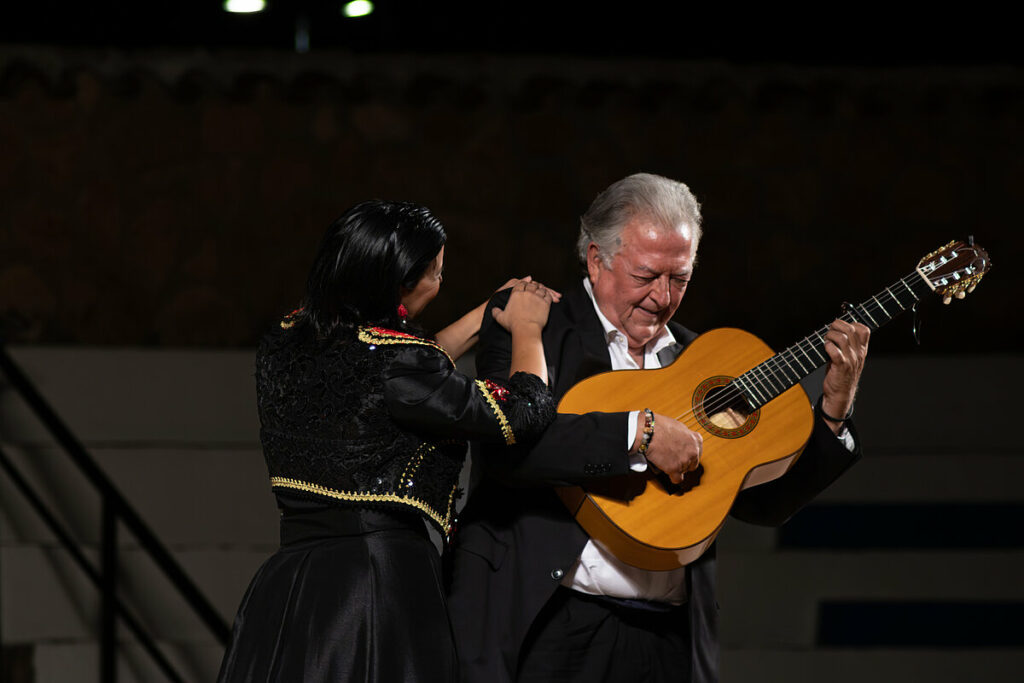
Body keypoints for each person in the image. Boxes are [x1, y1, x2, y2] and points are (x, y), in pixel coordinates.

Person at [447, 173, 870, 683]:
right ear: (597, 260)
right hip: (545, 623)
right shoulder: (531, 327)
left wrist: (834, 411)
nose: (662, 297)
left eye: (680, 278)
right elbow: (511, 451)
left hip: (666, 640)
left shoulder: (702, 361)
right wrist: (639, 433)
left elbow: (764, 502)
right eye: (647, 276)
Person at [217, 200, 559, 682]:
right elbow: (523, 412)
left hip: (291, 584)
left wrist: (488, 311)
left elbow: (395, 379)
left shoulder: (287, 339)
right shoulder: (399, 367)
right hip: (375, 580)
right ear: (400, 283)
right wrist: (527, 326)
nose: (439, 285)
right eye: (437, 274)